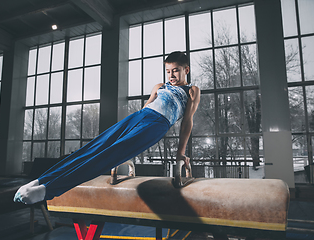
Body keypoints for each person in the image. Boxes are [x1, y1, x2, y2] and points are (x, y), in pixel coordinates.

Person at [14, 51, 200, 204]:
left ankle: (47, 190)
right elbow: (146, 107)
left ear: (187, 70)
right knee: (93, 147)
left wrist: (180, 152)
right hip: (139, 117)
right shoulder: (159, 86)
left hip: (157, 124)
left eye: (176, 71)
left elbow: (187, 122)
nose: (171, 76)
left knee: (109, 155)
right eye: (168, 71)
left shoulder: (192, 91)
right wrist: (133, 123)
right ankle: (40, 180)